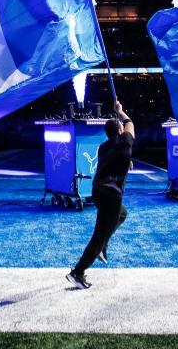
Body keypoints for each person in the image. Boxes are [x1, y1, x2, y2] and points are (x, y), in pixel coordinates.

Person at [67, 100, 134, 289]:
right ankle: (78, 272)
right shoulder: (126, 141)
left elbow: (116, 159)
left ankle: (103, 245)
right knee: (99, 235)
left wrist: (126, 161)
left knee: (122, 214)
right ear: (120, 130)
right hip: (112, 195)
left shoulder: (103, 147)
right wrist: (121, 112)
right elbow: (131, 123)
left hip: (97, 191)